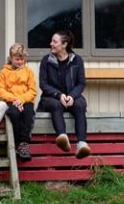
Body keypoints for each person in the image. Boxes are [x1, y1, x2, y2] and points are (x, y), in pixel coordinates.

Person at [38, 30, 91, 159]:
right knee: (56, 105)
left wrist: (72, 96)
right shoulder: (46, 60)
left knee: (80, 104)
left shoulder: (77, 60)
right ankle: (62, 137)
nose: (51, 44)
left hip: (71, 97)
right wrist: (58, 95)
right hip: (51, 98)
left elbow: (81, 83)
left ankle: (82, 144)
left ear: (64, 44)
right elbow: (43, 84)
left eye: (54, 42)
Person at [0, 43, 37, 162]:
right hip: (11, 101)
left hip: (25, 100)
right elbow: (0, 90)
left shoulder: (28, 72)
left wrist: (22, 100)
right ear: (11, 58)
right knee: (14, 114)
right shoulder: (4, 72)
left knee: (28, 113)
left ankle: (24, 143)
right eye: (17, 59)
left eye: (22, 59)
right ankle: (18, 143)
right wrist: (15, 100)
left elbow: (33, 90)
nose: (20, 62)